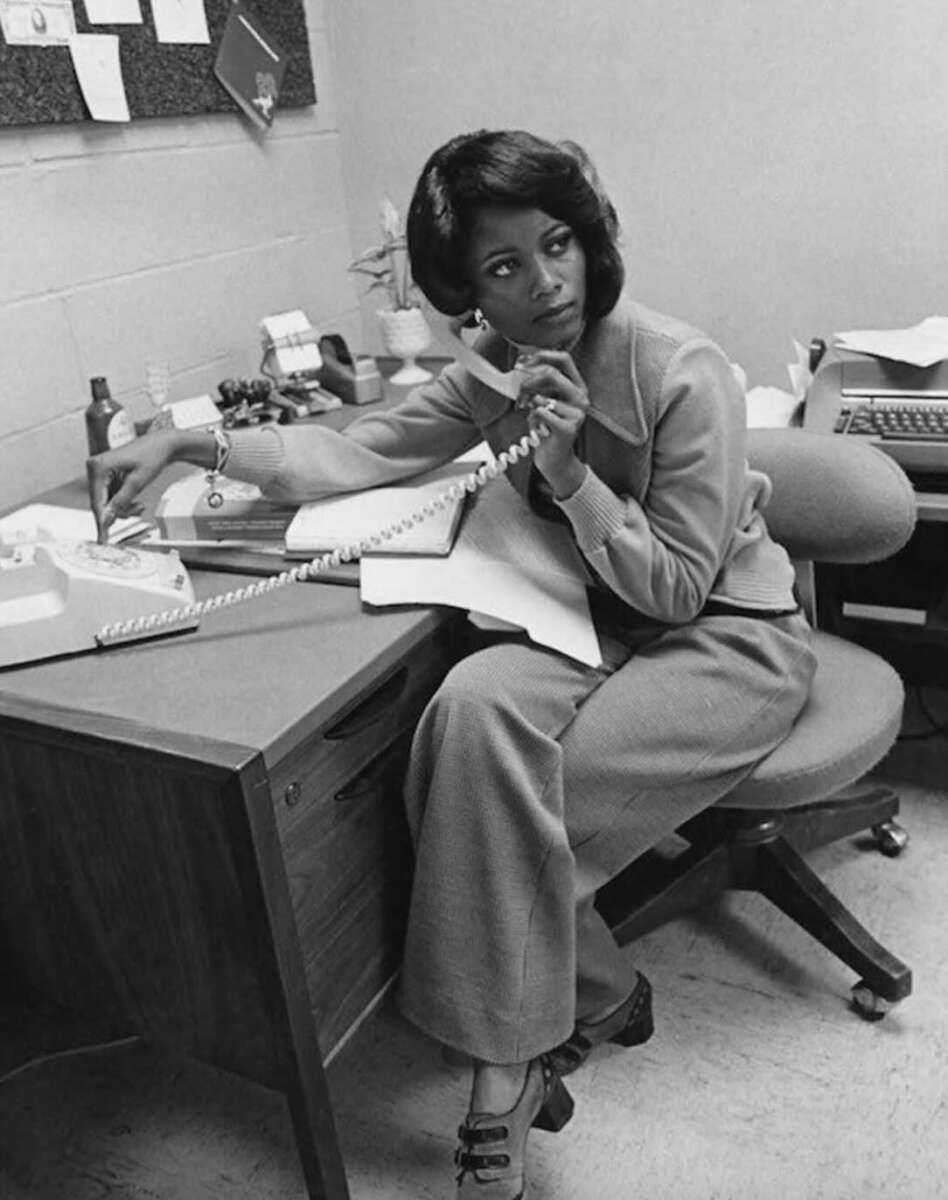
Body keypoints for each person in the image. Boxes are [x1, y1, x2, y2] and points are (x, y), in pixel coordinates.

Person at [88, 129, 816, 1200]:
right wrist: (189, 445)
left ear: (590, 235)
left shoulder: (678, 369)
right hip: (582, 618)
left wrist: (568, 473)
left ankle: (502, 1077)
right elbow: (361, 447)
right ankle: (600, 992)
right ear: (467, 293)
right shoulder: (498, 375)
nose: (546, 284)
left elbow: (673, 585)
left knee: (504, 818)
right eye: (504, 268)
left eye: (556, 244)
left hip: (724, 634)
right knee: (462, 720)